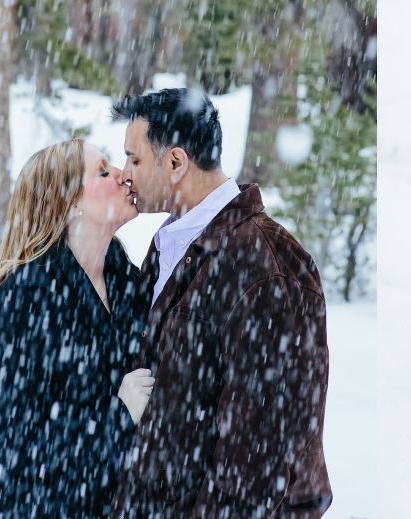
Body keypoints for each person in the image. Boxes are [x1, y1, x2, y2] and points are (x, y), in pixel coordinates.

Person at [107, 88, 331, 518]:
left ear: (175, 163)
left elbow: (260, 458)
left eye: (134, 159)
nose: (124, 173)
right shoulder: (172, 245)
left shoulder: (264, 265)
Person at [0, 139, 155, 518]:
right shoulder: (22, 300)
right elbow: (13, 440)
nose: (123, 175)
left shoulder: (129, 282)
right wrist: (117, 415)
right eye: (103, 171)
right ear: (70, 205)